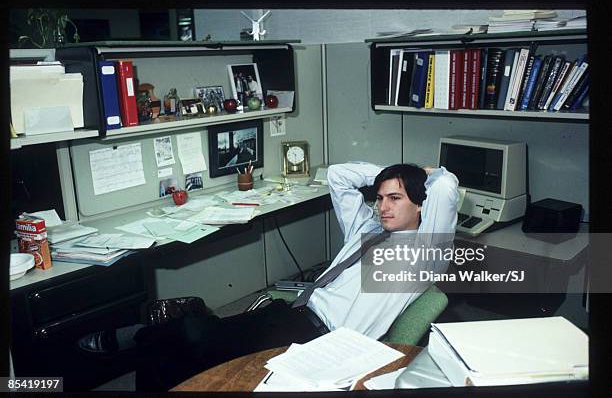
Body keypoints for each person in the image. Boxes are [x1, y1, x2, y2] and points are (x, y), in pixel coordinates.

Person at [77, 161, 459, 390]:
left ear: (422, 207)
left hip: (322, 340)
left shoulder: (425, 251)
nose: (382, 206)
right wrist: (391, 175)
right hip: (291, 314)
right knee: (178, 354)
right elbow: (340, 177)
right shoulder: (366, 229)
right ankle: (158, 344)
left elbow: (445, 186)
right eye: (379, 197)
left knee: (193, 335)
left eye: (396, 198)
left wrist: (424, 174)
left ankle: (141, 334)